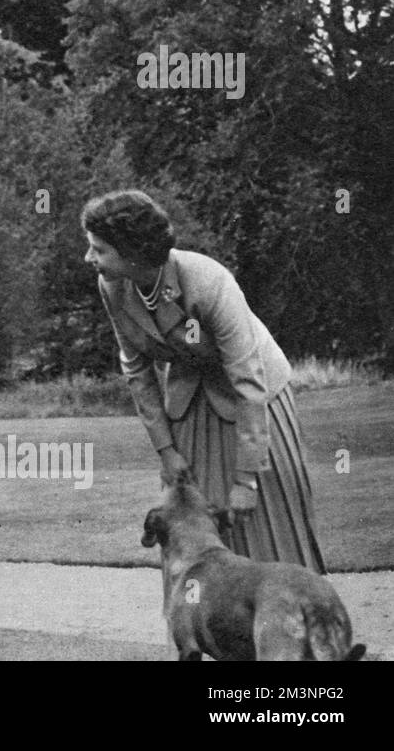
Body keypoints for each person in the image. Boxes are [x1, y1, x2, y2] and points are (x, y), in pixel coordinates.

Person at [82, 189, 325, 571]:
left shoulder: (209, 281)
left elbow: (248, 381)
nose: (89, 258)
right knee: (195, 518)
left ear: (131, 252)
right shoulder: (112, 286)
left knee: (262, 516)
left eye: (99, 249)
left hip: (256, 402)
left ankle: (291, 620)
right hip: (190, 400)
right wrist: (166, 451)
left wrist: (247, 481)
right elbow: (137, 371)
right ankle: (207, 627)